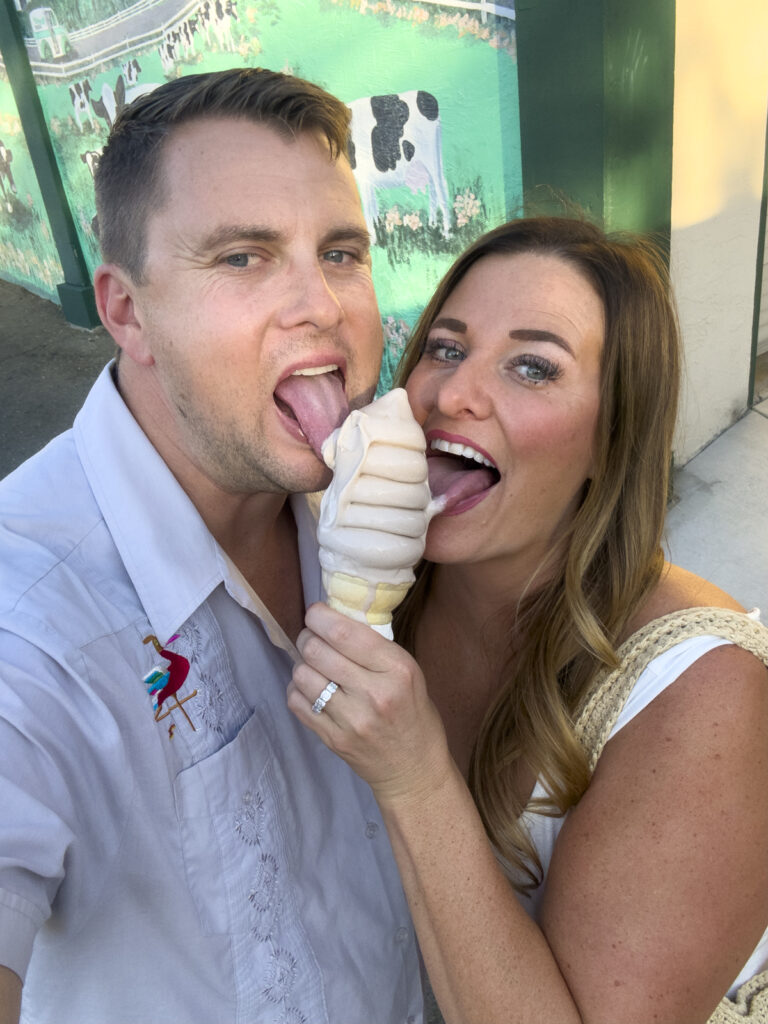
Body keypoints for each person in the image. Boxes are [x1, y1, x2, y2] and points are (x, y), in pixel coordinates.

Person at [0, 68, 427, 1023]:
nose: (324, 306)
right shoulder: (26, 629)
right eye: (243, 257)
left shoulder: (366, 503)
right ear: (127, 312)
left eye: (341, 252)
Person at [288, 216, 768, 1023]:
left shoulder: (705, 693)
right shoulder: (383, 582)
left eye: (533, 367)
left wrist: (414, 778)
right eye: (446, 347)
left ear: (612, 437)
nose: (452, 394)